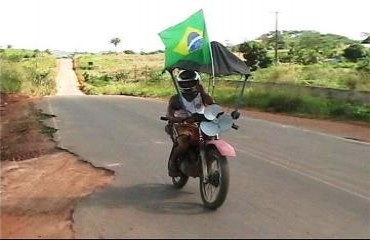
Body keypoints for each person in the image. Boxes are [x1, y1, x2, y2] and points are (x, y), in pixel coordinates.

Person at [166, 69, 215, 177]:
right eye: (185, 82)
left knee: (212, 138)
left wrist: (202, 92)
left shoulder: (202, 96)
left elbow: (212, 105)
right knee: (183, 143)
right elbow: (169, 114)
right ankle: (172, 163)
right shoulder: (176, 99)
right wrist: (178, 119)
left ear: (197, 82)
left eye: (190, 82)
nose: (187, 85)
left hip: (201, 123)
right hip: (182, 126)